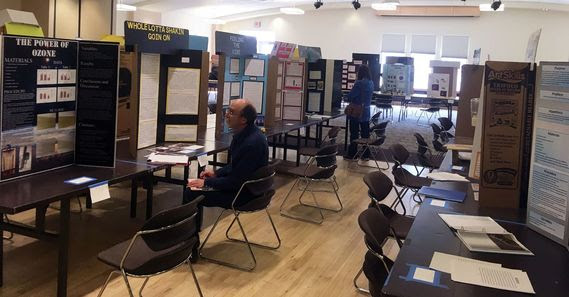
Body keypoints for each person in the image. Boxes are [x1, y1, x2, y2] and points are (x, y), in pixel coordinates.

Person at [185, 99, 268, 254]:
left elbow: (235, 182)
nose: (226, 115)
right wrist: (216, 174)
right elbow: (235, 167)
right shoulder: (245, 135)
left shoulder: (251, 143)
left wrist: (207, 182)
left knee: (191, 193)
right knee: (195, 188)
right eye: (227, 111)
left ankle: (190, 246)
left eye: (231, 112)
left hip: (245, 195)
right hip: (248, 188)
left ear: (243, 119)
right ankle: (189, 238)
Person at [345, 64, 374, 159]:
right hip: (366, 111)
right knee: (365, 134)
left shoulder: (359, 83)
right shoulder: (371, 83)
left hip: (356, 112)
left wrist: (347, 97)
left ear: (360, 72)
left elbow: (350, 96)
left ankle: (352, 153)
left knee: (354, 133)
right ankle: (366, 154)